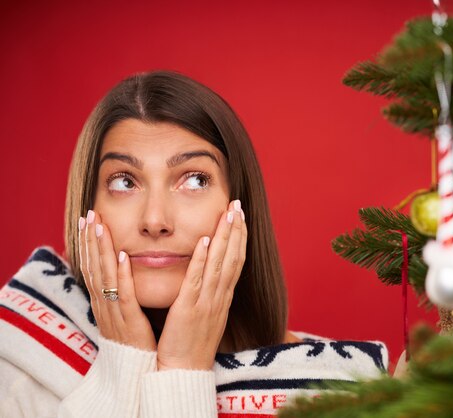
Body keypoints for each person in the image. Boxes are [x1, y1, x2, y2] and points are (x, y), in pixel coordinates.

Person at [0, 71, 388, 417]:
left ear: (240, 207)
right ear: (87, 206)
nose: (155, 221)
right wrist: (123, 362)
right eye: (124, 181)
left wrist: (182, 367)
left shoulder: (342, 392)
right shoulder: (14, 359)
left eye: (195, 180)